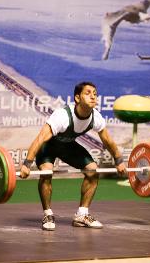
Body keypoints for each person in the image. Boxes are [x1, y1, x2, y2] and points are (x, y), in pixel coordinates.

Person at [20, 81, 127, 231]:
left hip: (67, 146)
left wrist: (119, 160)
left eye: (95, 94)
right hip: (48, 146)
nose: (93, 97)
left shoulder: (95, 117)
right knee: (46, 172)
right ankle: (47, 213)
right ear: (77, 98)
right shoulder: (62, 116)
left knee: (92, 170)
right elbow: (41, 138)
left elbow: (108, 141)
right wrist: (27, 164)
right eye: (88, 93)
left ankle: (82, 215)